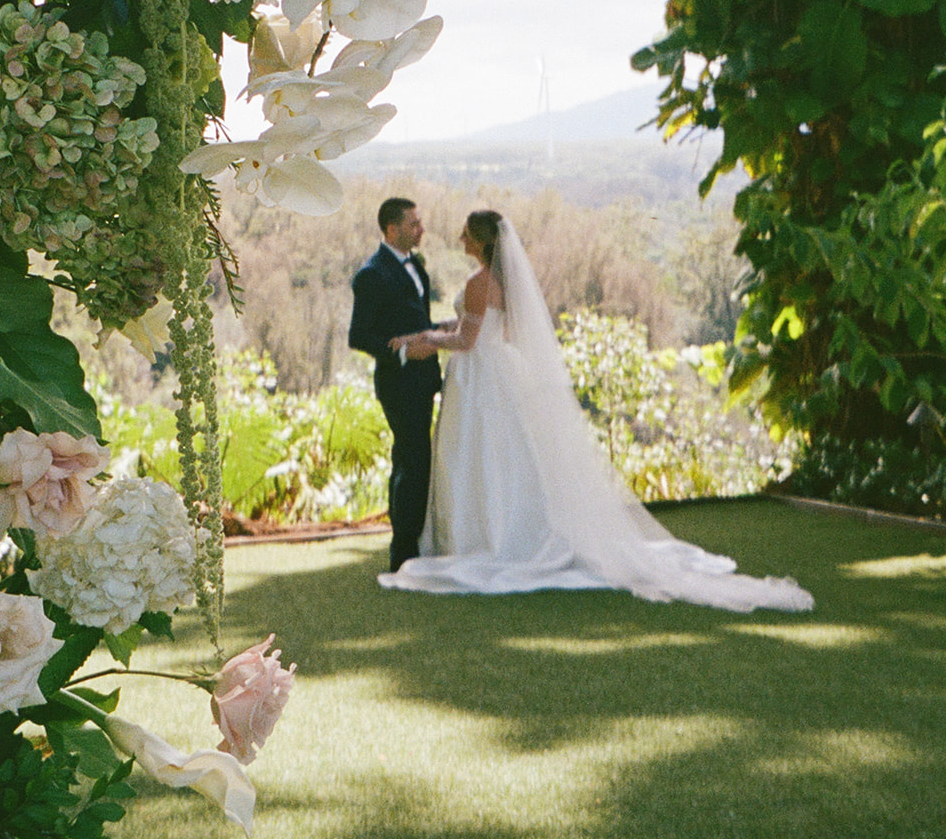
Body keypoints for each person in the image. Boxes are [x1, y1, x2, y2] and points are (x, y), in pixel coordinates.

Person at [379, 210, 814, 613]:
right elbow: (477, 328)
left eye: (466, 233)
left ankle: (486, 539)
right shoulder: (504, 281)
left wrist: (427, 343)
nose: (460, 237)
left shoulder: (478, 282)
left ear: (479, 240)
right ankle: (503, 531)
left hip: (480, 377)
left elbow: (467, 341)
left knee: (477, 456)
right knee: (506, 458)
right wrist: (426, 331)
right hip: (498, 373)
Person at [349, 197, 441, 573]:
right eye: (414, 223)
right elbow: (359, 335)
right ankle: (403, 551)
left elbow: (418, 319)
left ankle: (411, 543)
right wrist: (402, 355)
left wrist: (437, 334)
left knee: (414, 459)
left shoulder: (416, 264)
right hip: (399, 383)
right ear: (392, 229)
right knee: (412, 461)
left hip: (425, 380)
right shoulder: (372, 274)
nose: (421, 229)